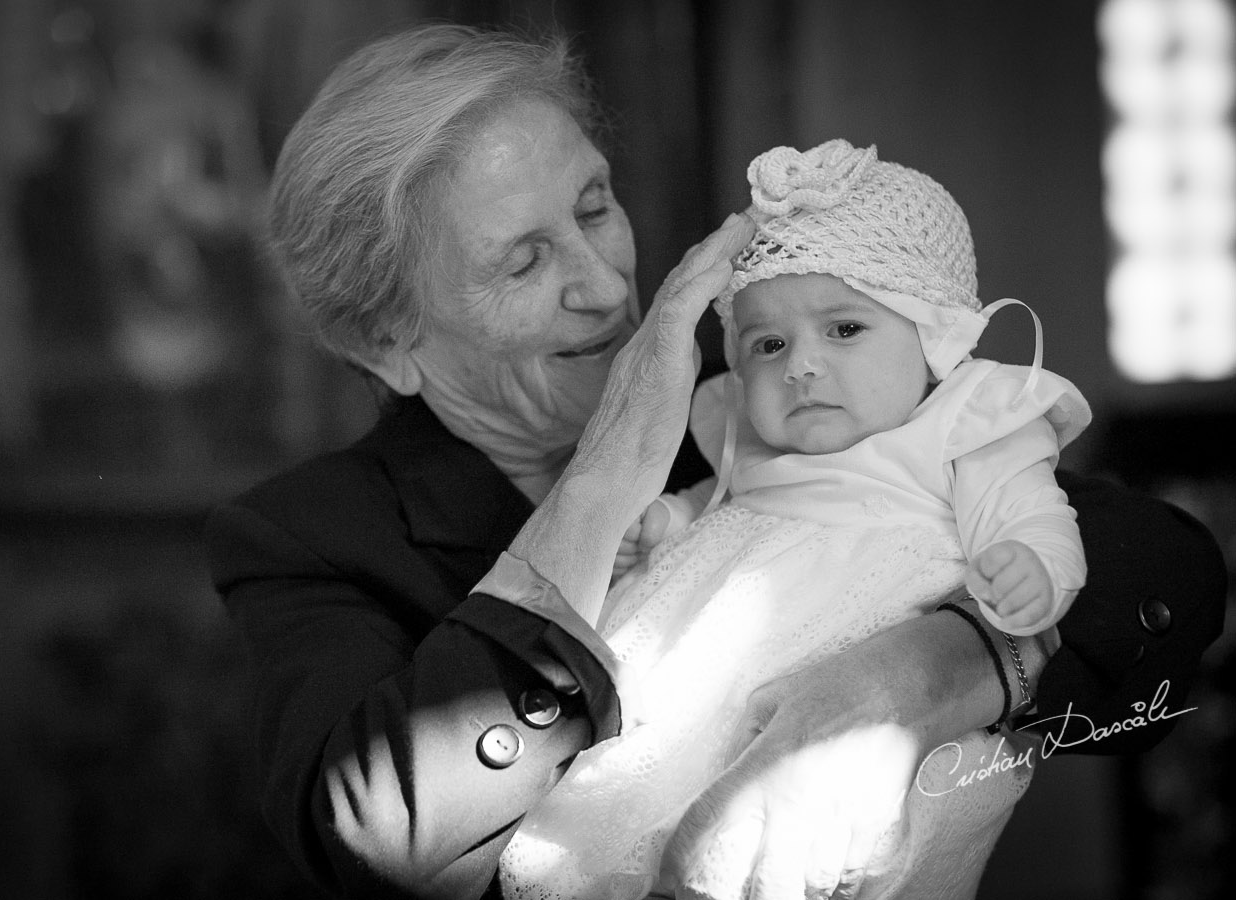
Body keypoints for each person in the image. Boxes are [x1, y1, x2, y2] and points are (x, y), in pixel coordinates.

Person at [203, 23, 1228, 900]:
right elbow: (376, 840)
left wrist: (937, 670)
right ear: (385, 342)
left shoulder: (760, 383)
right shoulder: (313, 537)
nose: (606, 287)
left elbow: (1159, 567)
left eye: (596, 205)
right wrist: (604, 483)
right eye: (524, 260)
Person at [498, 139, 1090, 899]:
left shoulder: (963, 426)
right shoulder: (750, 432)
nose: (801, 365)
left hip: (850, 675)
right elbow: (718, 505)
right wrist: (665, 524)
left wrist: (1031, 569)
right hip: (702, 669)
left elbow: (1035, 514)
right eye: (769, 344)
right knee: (640, 805)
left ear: (933, 335)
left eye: (844, 329)